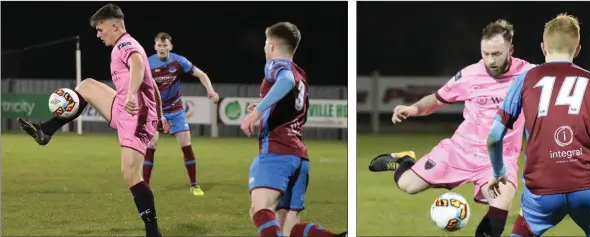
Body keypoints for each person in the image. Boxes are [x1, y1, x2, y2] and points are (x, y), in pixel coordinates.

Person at [367, 20, 535, 237]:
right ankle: (404, 160)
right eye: (485, 54)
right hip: (460, 151)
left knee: (502, 199)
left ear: (510, 50)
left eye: (496, 54)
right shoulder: (470, 75)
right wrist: (413, 109)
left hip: (498, 159)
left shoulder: (529, 75)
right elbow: (437, 99)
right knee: (407, 185)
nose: (490, 60)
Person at [16, 3, 169, 237]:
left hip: (135, 115)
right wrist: (160, 115)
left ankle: (153, 232)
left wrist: (131, 95)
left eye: (101, 29)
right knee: (86, 85)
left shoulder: (126, 45)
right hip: (125, 106)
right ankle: (45, 131)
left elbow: (138, 65)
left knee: (130, 175)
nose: (98, 34)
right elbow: (153, 86)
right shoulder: (125, 44)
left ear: (115, 26)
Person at [487, 14, 590, 237]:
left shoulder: (524, 80)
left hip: (542, 189)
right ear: (577, 49)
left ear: (543, 47)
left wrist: (498, 171)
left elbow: (494, 137)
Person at [238, 22, 347, 237]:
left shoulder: (276, 65)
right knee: (288, 229)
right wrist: (266, 106)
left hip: (278, 151)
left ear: (271, 46)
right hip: (300, 158)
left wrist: (258, 111)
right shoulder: (301, 74)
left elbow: (285, 80)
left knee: (260, 210)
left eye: (265, 43)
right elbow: (298, 109)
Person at [143, 32, 220, 196]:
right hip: (156, 111)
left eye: (165, 45)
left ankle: (194, 184)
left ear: (170, 46)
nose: (162, 48)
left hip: (176, 110)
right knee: (151, 145)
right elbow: (138, 83)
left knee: (186, 146)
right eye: (159, 45)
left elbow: (202, 74)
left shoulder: (179, 61)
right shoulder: (147, 63)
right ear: (155, 47)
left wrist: (211, 91)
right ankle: (145, 187)